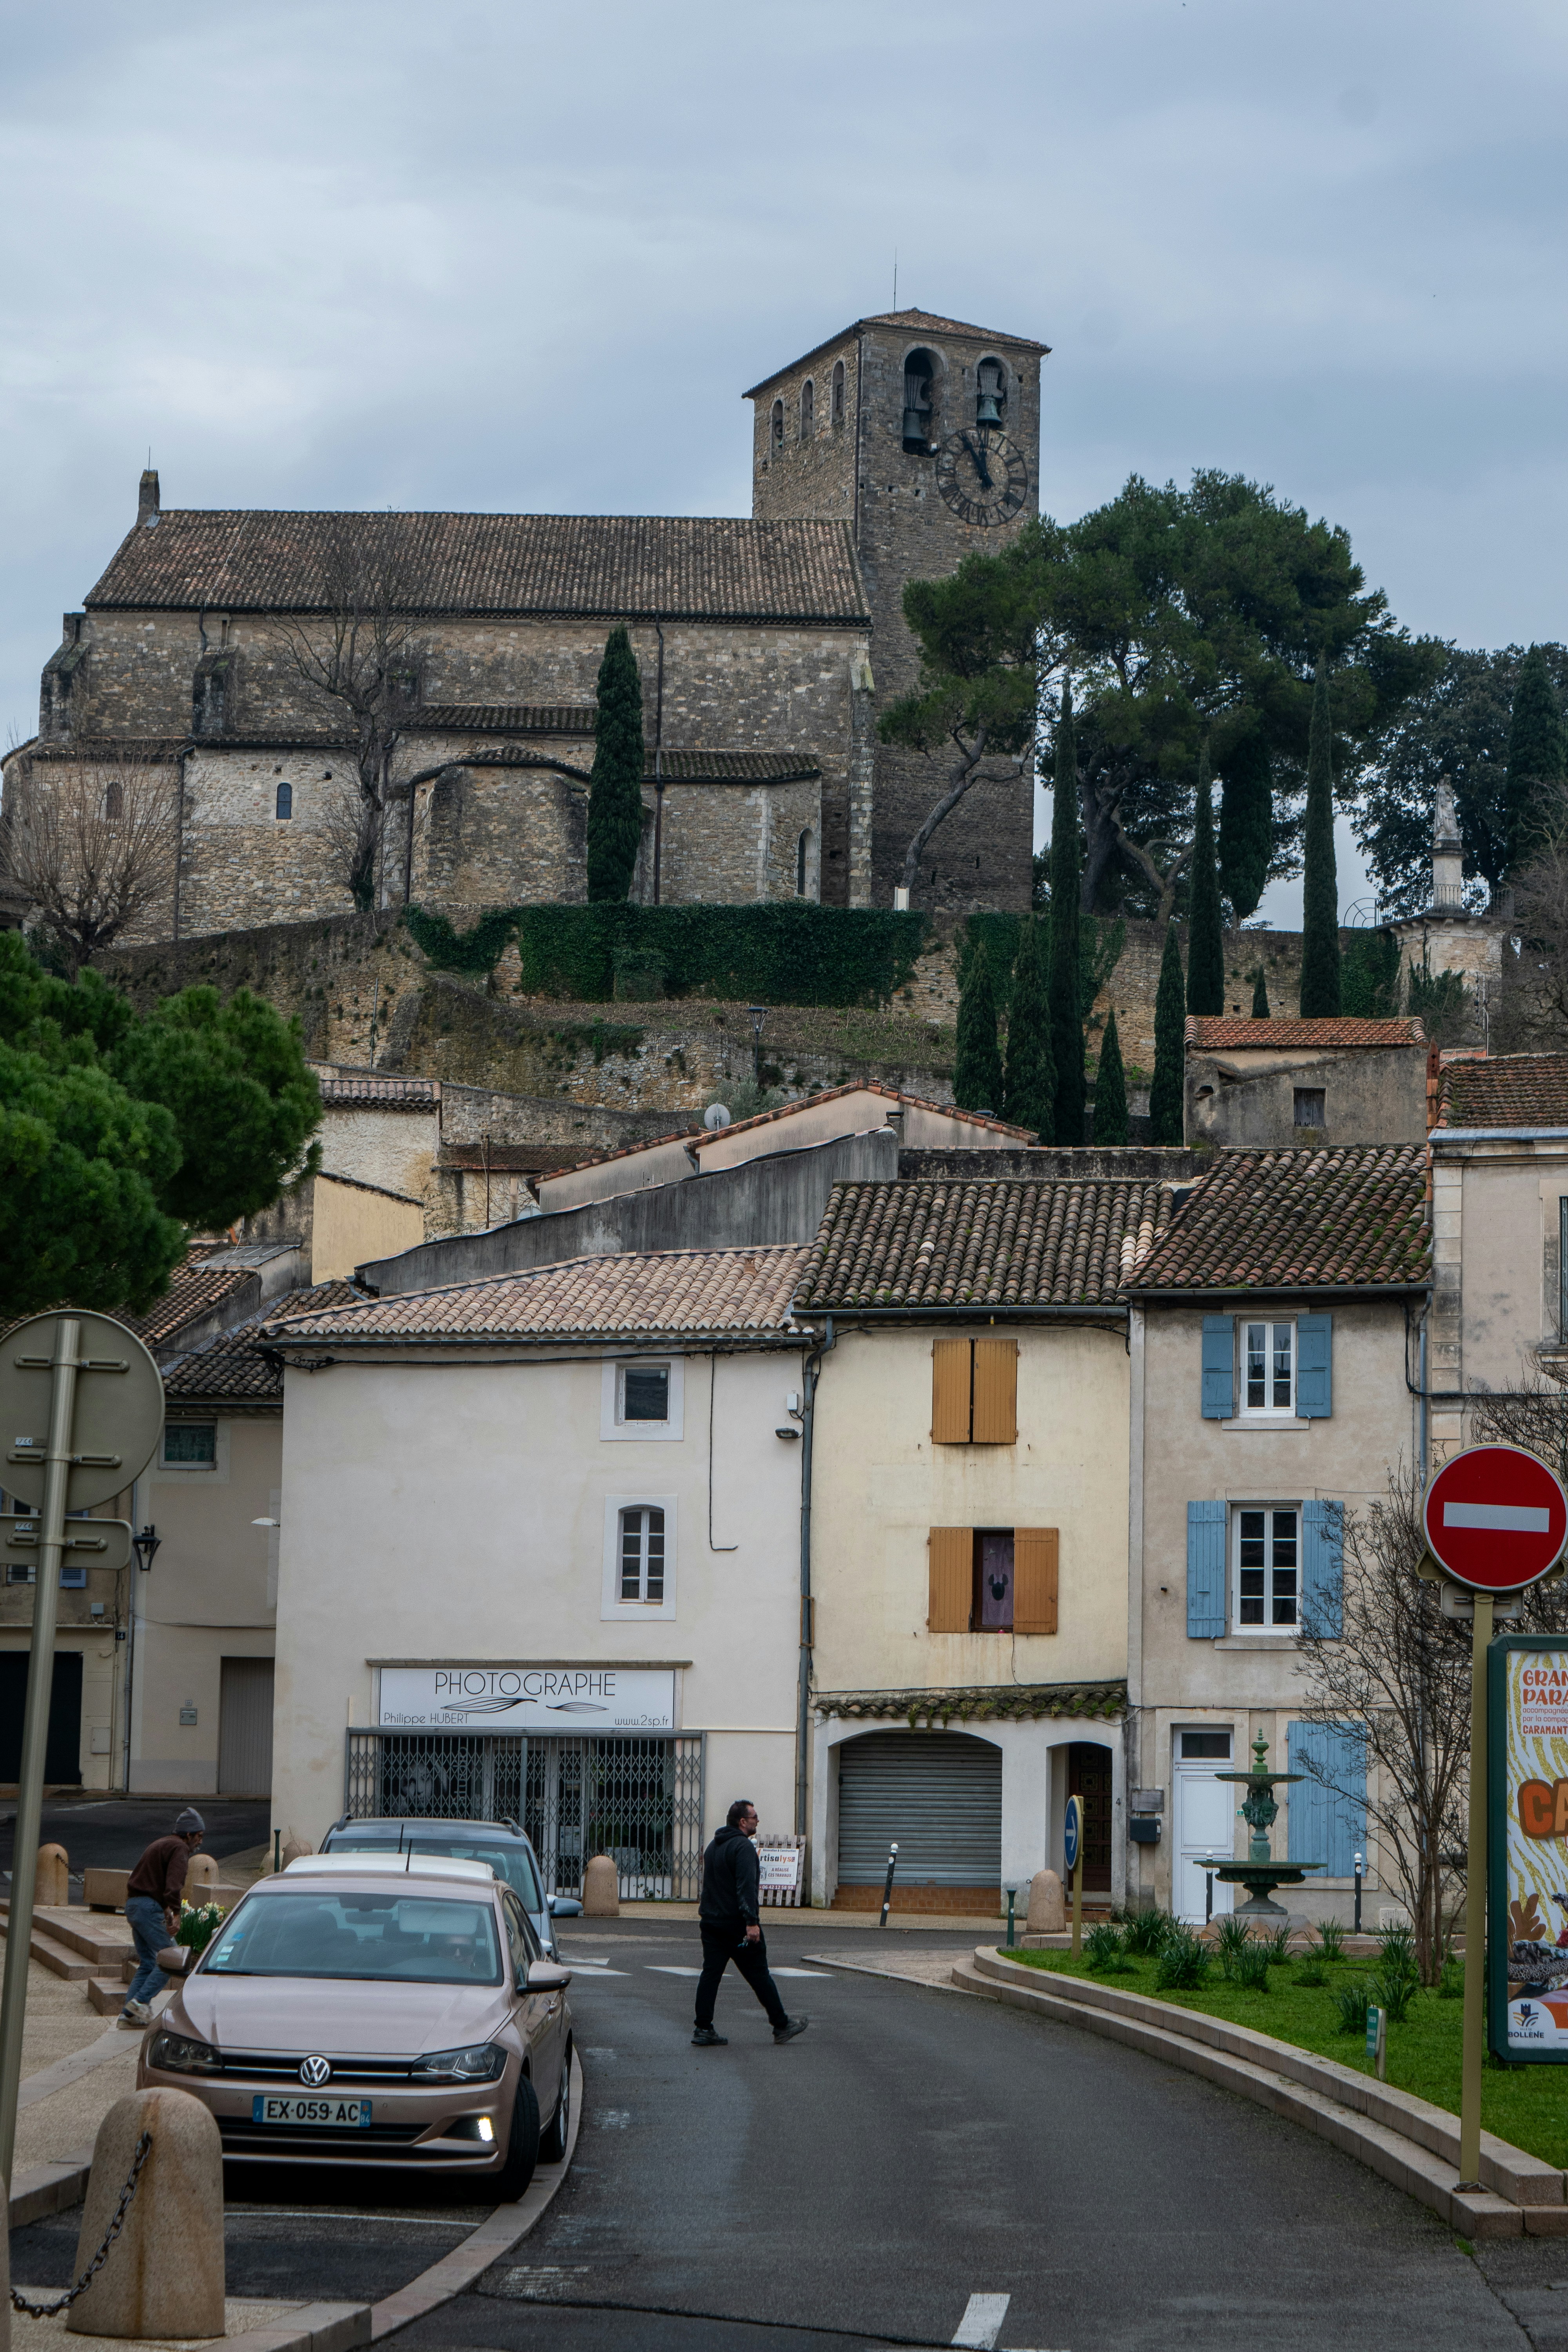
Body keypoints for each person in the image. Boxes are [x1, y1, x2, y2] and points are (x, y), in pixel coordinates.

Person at [692, 1799, 807, 2047]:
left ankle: (703, 2028)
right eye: (754, 1817)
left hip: (711, 1923)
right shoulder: (742, 1847)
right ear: (743, 1822)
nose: (758, 1820)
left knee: (710, 1975)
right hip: (737, 1926)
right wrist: (751, 1923)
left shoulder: (714, 1847)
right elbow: (746, 1888)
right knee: (759, 1975)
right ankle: (781, 2025)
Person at [119, 1807, 206, 2027]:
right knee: (171, 1961)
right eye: (199, 1836)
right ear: (188, 1835)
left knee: (149, 1962)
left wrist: (165, 1911)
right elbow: (173, 1884)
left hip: (135, 1905)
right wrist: (176, 1913)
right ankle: (139, 2004)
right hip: (148, 1908)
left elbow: (152, 1882)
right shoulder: (179, 1848)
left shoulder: (162, 1843)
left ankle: (128, 2014)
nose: (200, 1842)